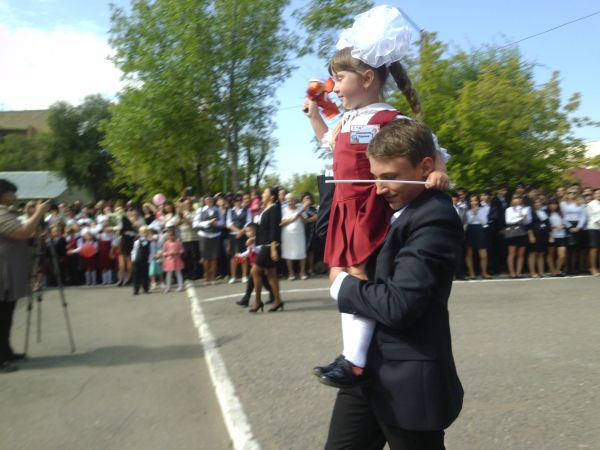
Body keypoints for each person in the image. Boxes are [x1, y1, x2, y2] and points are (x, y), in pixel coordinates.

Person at [304, 4, 449, 386]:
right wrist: (315, 116)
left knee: (358, 277)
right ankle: (352, 356)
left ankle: (355, 361)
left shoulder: (391, 120)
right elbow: (328, 145)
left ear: (367, 78)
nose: (334, 86)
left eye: (339, 78)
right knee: (343, 276)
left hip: (370, 208)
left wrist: (438, 172)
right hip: (343, 208)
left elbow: (432, 147)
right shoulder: (345, 121)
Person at [324, 119, 463, 449]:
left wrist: (342, 285)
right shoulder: (388, 206)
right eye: (374, 177)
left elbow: (400, 305)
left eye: (388, 176)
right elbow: (326, 232)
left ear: (424, 167)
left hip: (408, 382)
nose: (379, 188)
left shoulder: (434, 216)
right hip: (366, 376)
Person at [0, 179, 51, 373]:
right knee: (2, 315)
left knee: (7, 313)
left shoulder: (7, 212)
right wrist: (38, 213)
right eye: (12, 193)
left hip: (8, 269)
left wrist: (36, 222)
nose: (15, 196)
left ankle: (5, 351)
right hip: (3, 271)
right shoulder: (1, 214)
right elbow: (21, 233)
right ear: (3, 194)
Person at [248, 187, 283, 313]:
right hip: (266, 245)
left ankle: (258, 301)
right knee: (272, 274)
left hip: (269, 246)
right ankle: (278, 301)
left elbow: (274, 229)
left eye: (265, 193)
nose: (262, 194)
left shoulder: (274, 209)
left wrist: (273, 249)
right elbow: (264, 230)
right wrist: (254, 238)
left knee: (255, 272)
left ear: (272, 197)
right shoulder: (266, 209)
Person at [234, 223, 275, 307]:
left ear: (256, 231)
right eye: (246, 232)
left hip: (260, 263)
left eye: (250, 231)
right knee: (264, 281)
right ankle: (273, 294)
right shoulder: (250, 240)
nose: (248, 233)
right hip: (254, 264)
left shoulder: (259, 240)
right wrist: (240, 255)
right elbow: (248, 252)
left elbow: (258, 251)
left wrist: (252, 245)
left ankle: (246, 299)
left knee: (252, 280)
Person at [280, 193, 307, 280]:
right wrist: (295, 216)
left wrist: (300, 214)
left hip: (299, 234)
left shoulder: (300, 208)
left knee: (302, 253)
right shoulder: (283, 210)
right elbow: (282, 223)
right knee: (288, 254)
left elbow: (305, 221)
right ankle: (291, 273)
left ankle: (302, 272)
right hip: (287, 235)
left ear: (295, 200)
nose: (290, 202)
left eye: (292, 200)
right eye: (288, 200)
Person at [464, 194, 491, 279]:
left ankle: (484, 272)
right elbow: (467, 222)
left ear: (478, 201)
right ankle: (471, 273)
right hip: (470, 230)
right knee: (469, 253)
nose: (474, 202)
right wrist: (473, 213)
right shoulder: (467, 210)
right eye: (471, 201)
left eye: (475, 200)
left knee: (483, 254)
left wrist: (476, 214)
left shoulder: (483, 209)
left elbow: (484, 222)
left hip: (480, 230)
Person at [504, 194, 532, 278]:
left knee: (521, 253)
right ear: (512, 200)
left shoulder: (525, 208)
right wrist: (520, 217)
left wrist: (525, 218)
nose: (517, 200)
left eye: (519, 198)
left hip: (523, 230)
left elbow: (528, 221)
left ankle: (519, 272)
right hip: (513, 231)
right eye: (515, 198)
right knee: (512, 253)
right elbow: (508, 221)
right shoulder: (509, 209)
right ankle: (512, 272)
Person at [527, 197, 550, 278]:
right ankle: (532, 272)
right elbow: (528, 225)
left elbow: (547, 224)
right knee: (533, 253)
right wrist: (531, 235)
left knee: (541, 253)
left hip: (543, 235)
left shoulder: (544, 212)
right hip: (534, 234)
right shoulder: (530, 212)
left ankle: (541, 272)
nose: (538, 204)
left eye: (539, 202)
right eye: (536, 202)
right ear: (533, 204)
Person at [547, 198, 569, 276]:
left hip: (561, 236)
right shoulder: (546, 213)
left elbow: (567, 223)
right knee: (551, 255)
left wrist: (562, 225)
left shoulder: (561, 213)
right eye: (551, 204)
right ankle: (552, 270)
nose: (553, 205)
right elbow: (546, 226)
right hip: (551, 236)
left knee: (562, 256)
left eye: (555, 204)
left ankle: (557, 270)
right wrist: (554, 227)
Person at [162, 227, 185, 292]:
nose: (171, 237)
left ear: (175, 236)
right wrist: (168, 253)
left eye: (172, 235)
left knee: (178, 273)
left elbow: (182, 250)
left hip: (177, 260)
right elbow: (163, 252)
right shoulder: (166, 243)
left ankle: (180, 286)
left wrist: (177, 252)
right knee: (169, 274)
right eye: (169, 236)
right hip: (169, 261)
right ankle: (168, 287)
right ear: (167, 236)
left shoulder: (178, 242)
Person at [586, 188, 600, 276]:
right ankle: (592, 268)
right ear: (594, 195)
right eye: (597, 193)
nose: (599, 195)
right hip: (593, 228)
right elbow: (593, 217)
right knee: (594, 249)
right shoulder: (591, 204)